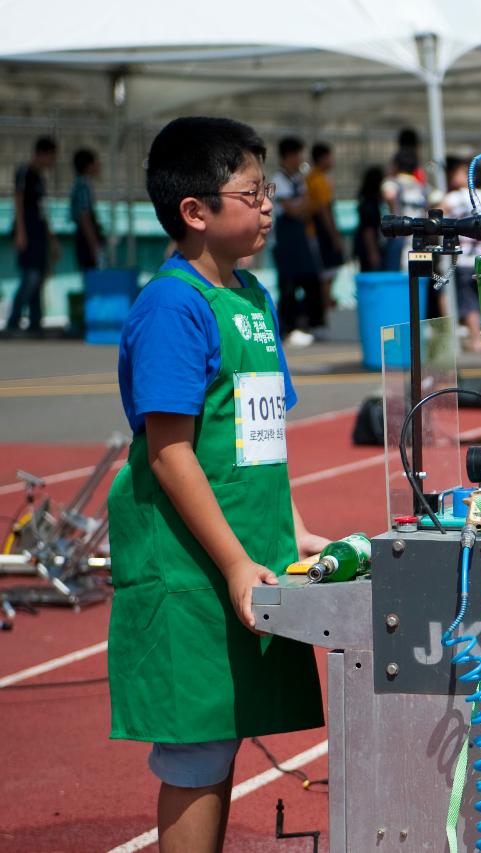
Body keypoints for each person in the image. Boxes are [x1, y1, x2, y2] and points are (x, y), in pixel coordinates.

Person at [108, 116, 326, 853]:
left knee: (223, 737)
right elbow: (171, 452)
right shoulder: (173, 306)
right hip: (192, 572)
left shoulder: (254, 297)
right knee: (198, 749)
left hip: (248, 554)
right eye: (253, 192)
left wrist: (293, 528)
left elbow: (260, 440)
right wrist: (234, 560)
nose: (268, 206)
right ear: (195, 211)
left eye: (269, 191)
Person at [440, 155, 481, 352]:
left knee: (469, 302)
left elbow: (435, 217)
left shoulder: (455, 197)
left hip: (464, 257)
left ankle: (475, 339)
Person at [271, 137, 323, 346]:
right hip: (285, 242)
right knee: (288, 285)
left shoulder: (299, 180)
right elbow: (292, 209)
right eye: (296, 155)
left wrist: (299, 206)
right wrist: (299, 206)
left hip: (299, 238)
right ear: (287, 156)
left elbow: (307, 206)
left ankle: (311, 324)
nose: (299, 159)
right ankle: (288, 328)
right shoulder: (279, 180)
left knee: (311, 280)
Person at [8, 136, 58, 335]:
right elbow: (18, 201)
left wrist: (51, 237)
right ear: (43, 154)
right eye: (52, 156)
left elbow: (42, 210)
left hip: (39, 234)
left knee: (38, 277)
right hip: (27, 232)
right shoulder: (24, 173)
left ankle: (36, 323)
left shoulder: (40, 178)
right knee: (30, 277)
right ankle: (13, 322)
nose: (53, 162)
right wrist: (20, 232)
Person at [305, 142, 344, 311]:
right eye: (330, 156)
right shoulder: (319, 180)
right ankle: (326, 310)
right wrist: (334, 236)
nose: (332, 160)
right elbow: (324, 211)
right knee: (327, 274)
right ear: (322, 158)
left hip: (312, 232)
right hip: (320, 233)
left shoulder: (310, 177)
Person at [381, 149, 428, 272]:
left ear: (396, 165)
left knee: (396, 274)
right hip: (418, 235)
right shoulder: (420, 186)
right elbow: (436, 198)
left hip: (399, 235)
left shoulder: (392, 182)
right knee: (418, 274)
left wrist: (392, 211)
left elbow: (388, 194)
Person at [71, 147, 105, 272]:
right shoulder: (83, 186)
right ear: (88, 166)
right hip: (86, 240)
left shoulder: (80, 184)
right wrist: (94, 246)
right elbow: (84, 217)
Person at [353, 165, 385, 273]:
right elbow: (368, 230)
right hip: (368, 247)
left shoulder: (365, 201)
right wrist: (373, 252)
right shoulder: (370, 204)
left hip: (363, 246)